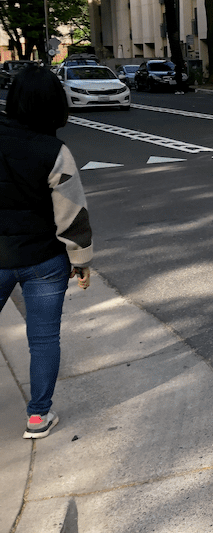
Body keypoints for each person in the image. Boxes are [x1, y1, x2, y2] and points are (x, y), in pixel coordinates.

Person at [0, 65, 93, 439]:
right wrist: (82, 261)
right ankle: (38, 416)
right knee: (43, 339)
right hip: (43, 260)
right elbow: (72, 214)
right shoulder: (55, 151)